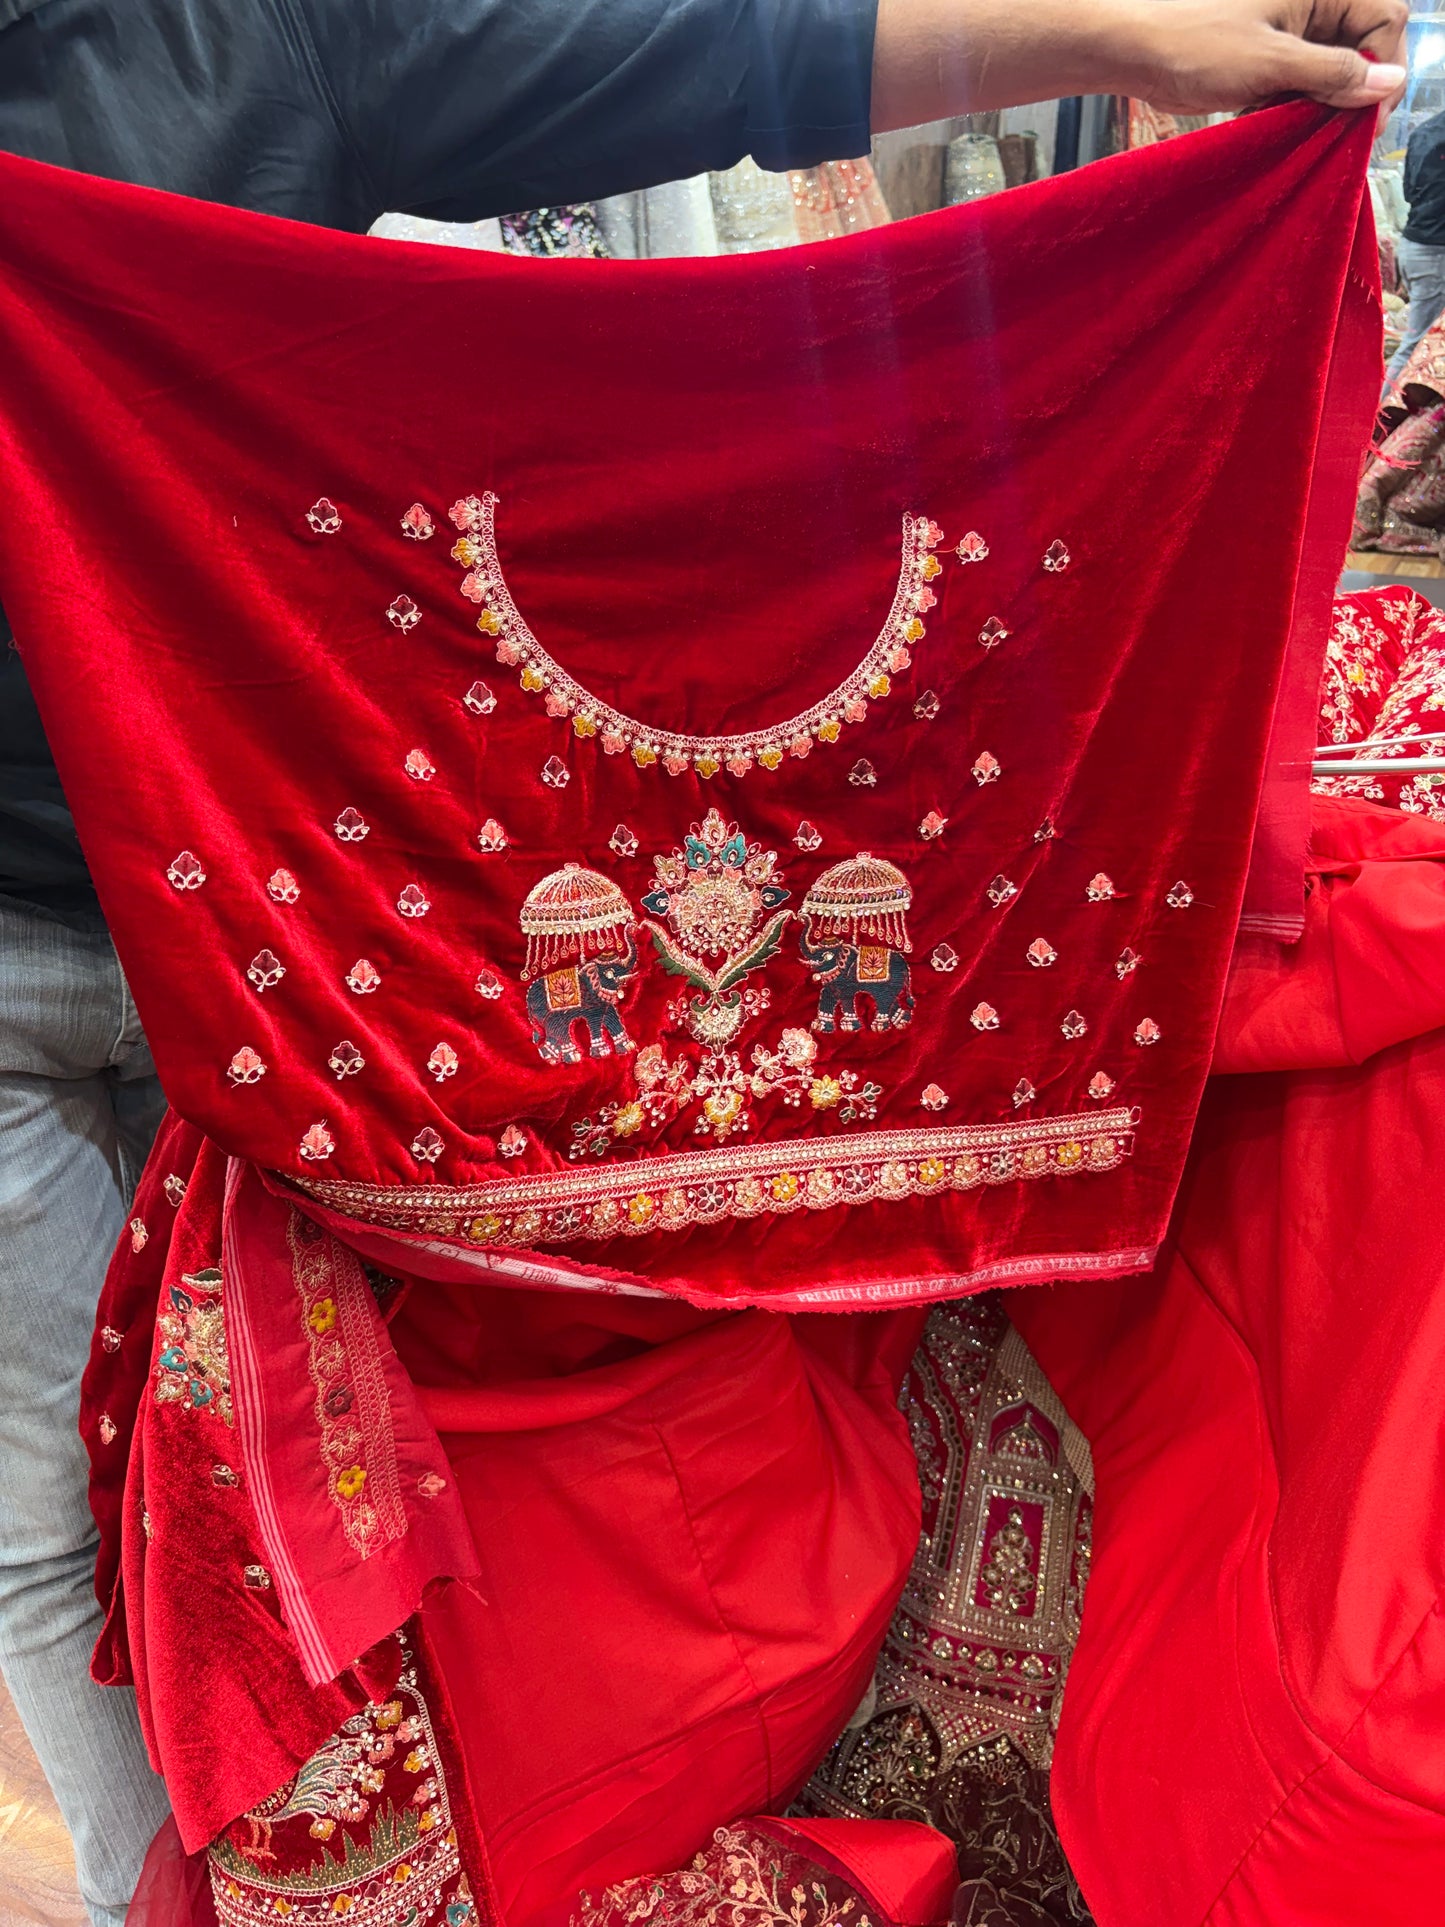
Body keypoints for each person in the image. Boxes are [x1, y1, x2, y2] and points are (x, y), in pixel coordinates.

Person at [0, 1, 1409, 1921]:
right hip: (136, 939)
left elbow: (726, 50)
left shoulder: (218, 37)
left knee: (299, 1492)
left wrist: (1126, 36)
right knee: (63, 1549)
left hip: (266, 925)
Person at [1384, 105, 1445, 389]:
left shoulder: (1423, 132)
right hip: (1435, 253)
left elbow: (1409, 193)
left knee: (1419, 342)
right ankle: (1376, 417)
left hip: (1414, 245)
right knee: (1417, 344)